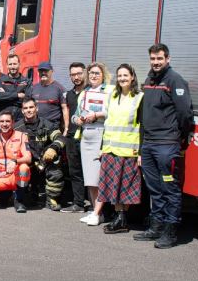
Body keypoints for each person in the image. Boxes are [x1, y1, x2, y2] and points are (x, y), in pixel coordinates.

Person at [133, 43, 192, 249]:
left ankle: (170, 230)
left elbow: (185, 114)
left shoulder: (175, 80)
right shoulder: (149, 79)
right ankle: (156, 226)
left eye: (159, 59)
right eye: (153, 59)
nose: (156, 62)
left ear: (168, 59)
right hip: (148, 145)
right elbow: (143, 116)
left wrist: (179, 137)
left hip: (167, 145)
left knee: (170, 189)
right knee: (154, 189)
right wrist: (141, 147)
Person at [97, 64, 144, 234]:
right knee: (113, 186)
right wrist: (103, 148)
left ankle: (122, 218)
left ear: (132, 77)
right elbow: (108, 123)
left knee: (126, 187)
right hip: (111, 149)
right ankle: (120, 218)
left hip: (129, 151)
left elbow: (143, 126)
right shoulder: (113, 95)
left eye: (125, 75)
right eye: (119, 75)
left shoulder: (139, 97)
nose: (122, 78)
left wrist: (141, 152)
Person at [73, 62, 113, 226]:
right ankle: (96, 211)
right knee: (89, 178)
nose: (94, 76)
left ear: (103, 74)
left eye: (97, 73)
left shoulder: (110, 91)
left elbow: (112, 112)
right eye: (91, 73)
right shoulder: (85, 92)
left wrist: (96, 115)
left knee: (97, 178)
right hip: (86, 135)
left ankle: (97, 213)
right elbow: (76, 115)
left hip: (100, 135)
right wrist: (79, 120)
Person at [14, 97, 67, 211]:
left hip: (45, 161)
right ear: (22, 111)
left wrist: (53, 148)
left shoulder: (47, 124)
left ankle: (52, 199)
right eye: (25, 108)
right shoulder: (17, 128)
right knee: (21, 170)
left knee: (56, 172)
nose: (29, 110)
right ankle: (22, 197)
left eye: (31, 107)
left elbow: (60, 138)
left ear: (36, 108)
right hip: (28, 162)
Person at [60, 62, 88, 213]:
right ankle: (79, 203)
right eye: (73, 75)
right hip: (72, 137)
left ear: (84, 73)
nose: (76, 77)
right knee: (75, 171)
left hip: (88, 138)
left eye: (78, 73)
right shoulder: (69, 95)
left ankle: (97, 206)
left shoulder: (91, 92)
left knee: (90, 172)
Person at [27, 61, 69, 133]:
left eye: (46, 71)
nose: (43, 73)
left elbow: (65, 109)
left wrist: (66, 128)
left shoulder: (59, 88)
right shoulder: (34, 88)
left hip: (53, 127)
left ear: (51, 71)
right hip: (36, 127)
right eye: (41, 71)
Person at [0, 54, 29, 122]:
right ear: (7, 65)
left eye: (15, 64)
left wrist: (6, 94)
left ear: (19, 64)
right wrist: (17, 95)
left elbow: (28, 98)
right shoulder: (1, 80)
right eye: (10, 64)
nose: (12, 67)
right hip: (5, 118)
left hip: (21, 118)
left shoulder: (26, 81)